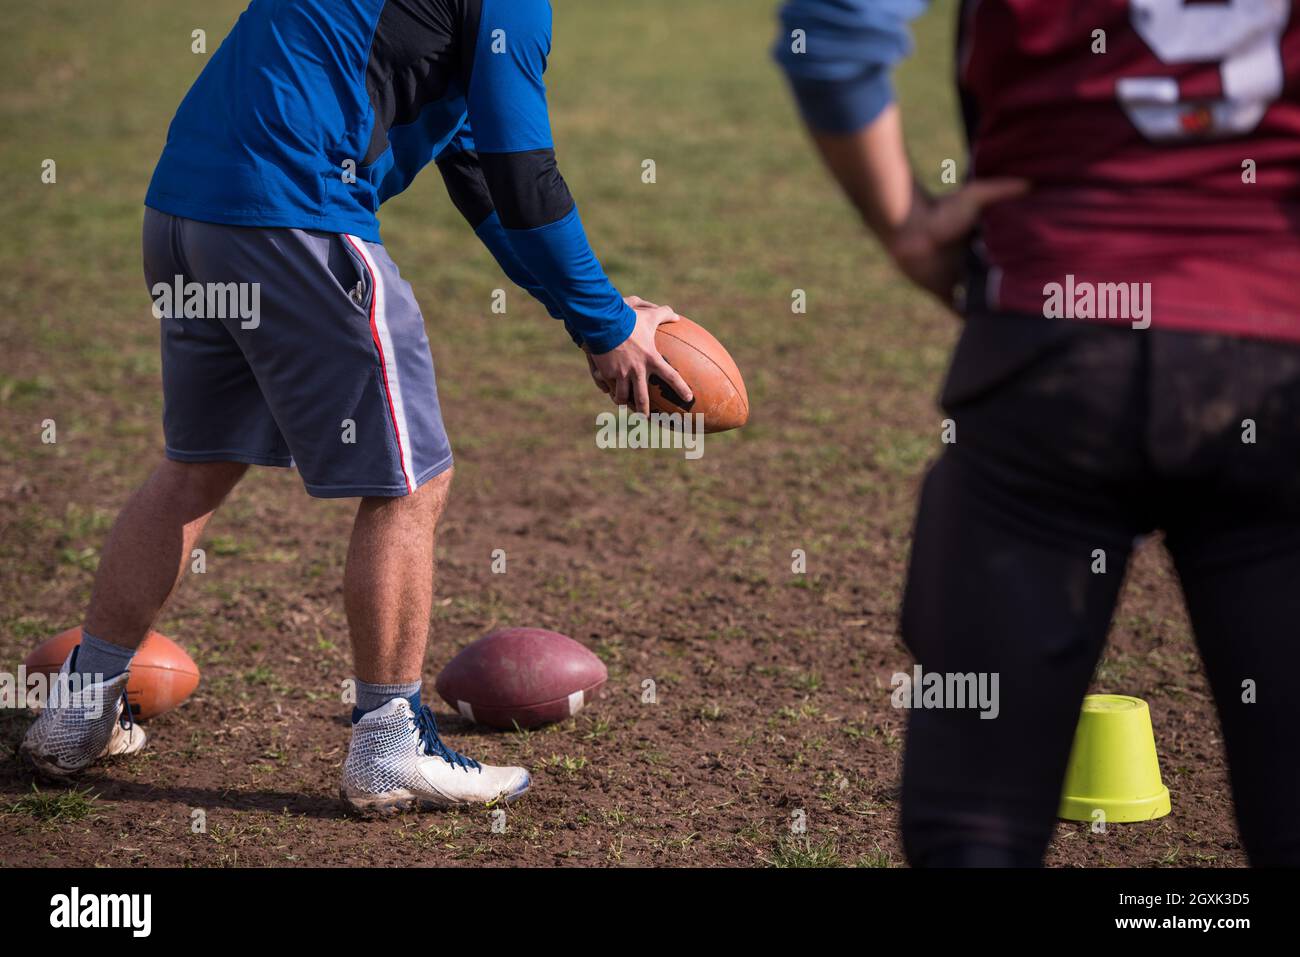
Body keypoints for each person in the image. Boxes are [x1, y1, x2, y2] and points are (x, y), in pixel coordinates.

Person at [21, 0, 692, 815]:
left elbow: (482, 177)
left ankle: (74, 713)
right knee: (409, 484)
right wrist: (611, 328)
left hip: (184, 213)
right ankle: (389, 744)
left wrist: (596, 318)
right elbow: (525, 171)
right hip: (296, 215)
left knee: (196, 467)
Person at [775, 0, 1300, 865]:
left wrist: (906, 228)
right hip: (1275, 360)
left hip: (1050, 352)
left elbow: (832, 31)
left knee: (972, 830)